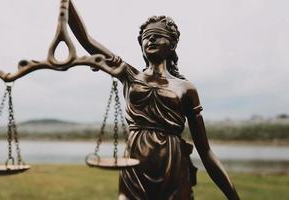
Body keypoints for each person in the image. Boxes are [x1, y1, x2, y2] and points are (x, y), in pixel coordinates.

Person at [68, 1, 240, 199]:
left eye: (158, 36)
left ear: (173, 44)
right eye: (146, 37)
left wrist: (233, 196)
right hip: (134, 166)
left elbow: (205, 150)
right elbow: (86, 40)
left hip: (172, 166)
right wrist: (66, 5)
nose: (151, 40)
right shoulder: (128, 74)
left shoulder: (186, 88)